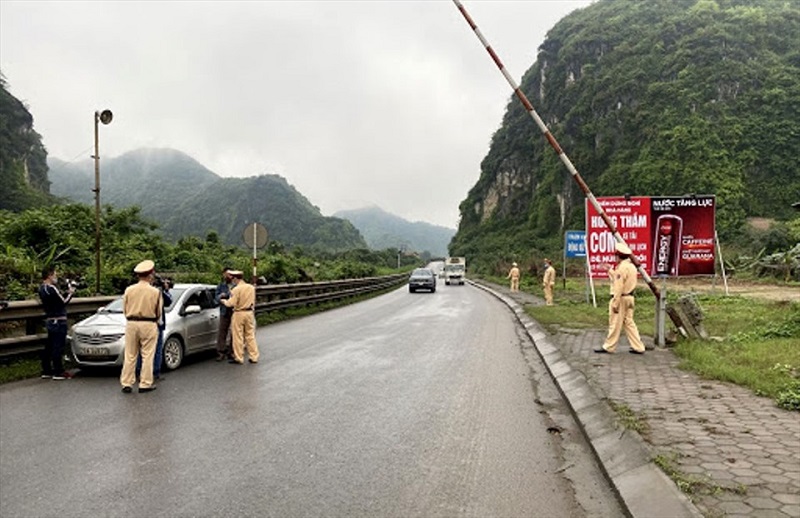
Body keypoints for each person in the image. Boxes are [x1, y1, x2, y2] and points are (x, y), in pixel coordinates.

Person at [595, 242, 646, 355]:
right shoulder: (631, 267)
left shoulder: (621, 268)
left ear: (618, 256)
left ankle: (609, 346)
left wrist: (615, 302)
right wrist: (610, 270)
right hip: (630, 297)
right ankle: (638, 346)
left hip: (621, 298)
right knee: (629, 322)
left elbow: (618, 286)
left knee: (615, 323)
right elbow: (621, 279)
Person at [120, 260, 163, 393]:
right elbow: (158, 311)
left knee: (130, 354)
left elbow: (125, 308)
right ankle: (145, 383)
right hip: (149, 323)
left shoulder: (129, 290)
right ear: (150, 275)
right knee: (147, 355)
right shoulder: (155, 292)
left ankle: (127, 383)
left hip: (132, 323)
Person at [37, 267, 75, 380]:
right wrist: (70, 293)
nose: (56, 277)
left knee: (49, 346)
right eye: (55, 275)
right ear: (49, 275)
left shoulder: (41, 288)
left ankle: (46, 370)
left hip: (50, 319)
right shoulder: (52, 288)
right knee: (58, 346)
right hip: (59, 320)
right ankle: (58, 371)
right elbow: (63, 302)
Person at [136, 276, 172, 380]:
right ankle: (154, 372)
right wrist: (165, 290)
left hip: (142, 322)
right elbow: (169, 301)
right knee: (156, 350)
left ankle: (139, 371)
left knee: (142, 349)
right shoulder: (157, 292)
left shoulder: (139, 291)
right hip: (155, 323)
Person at [221, 270, 259, 364]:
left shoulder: (236, 289)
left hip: (239, 313)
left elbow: (231, 303)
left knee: (238, 336)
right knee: (250, 335)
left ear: (235, 278)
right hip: (249, 312)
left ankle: (239, 357)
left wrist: (224, 301)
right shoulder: (251, 287)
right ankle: (254, 356)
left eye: (232, 278)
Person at [214, 267, 233, 361]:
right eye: (225, 274)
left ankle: (232, 352)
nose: (226, 276)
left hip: (234, 310)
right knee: (222, 332)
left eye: (228, 274)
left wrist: (227, 294)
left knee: (234, 332)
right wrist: (221, 296)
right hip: (224, 310)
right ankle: (221, 352)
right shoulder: (221, 286)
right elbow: (216, 298)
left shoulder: (236, 285)